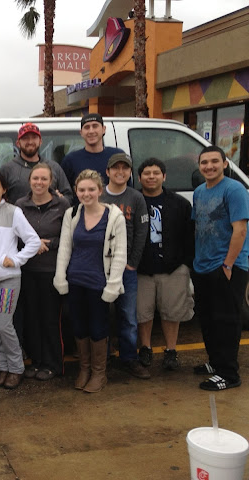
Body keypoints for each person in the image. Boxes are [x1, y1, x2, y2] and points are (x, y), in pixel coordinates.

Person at [54, 169, 126, 393]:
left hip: (99, 283)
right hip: (76, 280)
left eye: (91, 189)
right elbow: (65, 248)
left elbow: (120, 253)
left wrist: (113, 284)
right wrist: (60, 276)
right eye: (82, 190)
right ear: (76, 191)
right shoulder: (72, 214)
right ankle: (84, 370)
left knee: (98, 327)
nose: (86, 194)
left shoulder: (114, 217)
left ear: (100, 190)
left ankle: (99, 373)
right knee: (79, 326)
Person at [192, 146, 249, 391]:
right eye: (204, 162)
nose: (209, 166)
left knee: (227, 321)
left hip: (227, 266)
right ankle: (215, 362)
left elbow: (240, 229)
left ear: (225, 164)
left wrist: (228, 264)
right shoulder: (199, 192)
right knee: (208, 319)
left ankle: (229, 374)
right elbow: (199, 227)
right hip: (203, 266)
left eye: (215, 161)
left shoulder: (234, 189)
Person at [0, 172, 40, 389]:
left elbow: (33, 241)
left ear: (4, 190)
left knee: (4, 325)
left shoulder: (13, 212)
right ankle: (3, 367)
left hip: (7, 279)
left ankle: (16, 368)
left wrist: (16, 259)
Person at [136, 158, 194, 371]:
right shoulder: (135, 201)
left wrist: (185, 264)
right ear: (139, 178)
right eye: (147, 173)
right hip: (142, 269)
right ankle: (145, 348)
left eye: (156, 173)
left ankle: (171, 350)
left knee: (172, 312)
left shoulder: (180, 204)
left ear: (164, 176)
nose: (151, 177)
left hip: (173, 268)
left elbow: (189, 236)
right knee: (142, 312)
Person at [16, 163, 70, 380]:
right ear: (29, 181)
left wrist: (50, 243)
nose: (39, 182)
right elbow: (15, 235)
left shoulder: (62, 204)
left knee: (50, 318)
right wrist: (32, 244)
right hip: (28, 270)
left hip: (51, 270)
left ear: (51, 181)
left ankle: (53, 364)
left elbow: (69, 235)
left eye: (43, 179)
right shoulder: (20, 205)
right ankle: (36, 362)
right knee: (32, 318)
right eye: (35, 178)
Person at [100, 153, 150, 379]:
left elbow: (141, 232)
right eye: (115, 168)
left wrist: (133, 263)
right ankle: (103, 358)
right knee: (102, 314)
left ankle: (129, 358)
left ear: (130, 173)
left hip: (126, 268)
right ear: (107, 172)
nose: (120, 172)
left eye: (125, 168)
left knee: (128, 316)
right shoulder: (98, 194)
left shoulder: (136, 197)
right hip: (101, 267)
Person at [0, 123, 73, 205]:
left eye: (34, 138)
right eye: (25, 138)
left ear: (40, 141)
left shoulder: (54, 167)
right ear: (18, 143)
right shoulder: (7, 169)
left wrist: (61, 199)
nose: (30, 142)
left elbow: (69, 197)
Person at [61, 113, 124, 190]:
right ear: (81, 132)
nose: (91, 131)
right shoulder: (70, 160)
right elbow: (65, 192)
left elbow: (127, 188)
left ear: (103, 129)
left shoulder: (117, 156)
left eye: (95, 126)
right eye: (87, 127)